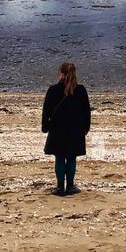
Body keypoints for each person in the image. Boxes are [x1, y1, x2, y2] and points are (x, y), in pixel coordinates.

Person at [41, 61, 91, 196]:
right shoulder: (81, 90)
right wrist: (86, 127)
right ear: (75, 73)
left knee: (59, 157)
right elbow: (87, 111)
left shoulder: (53, 90)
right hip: (75, 129)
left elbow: (46, 111)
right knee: (71, 158)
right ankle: (70, 186)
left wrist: (45, 126)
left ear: (60, 73)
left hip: (57, 129)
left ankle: (59, 187)